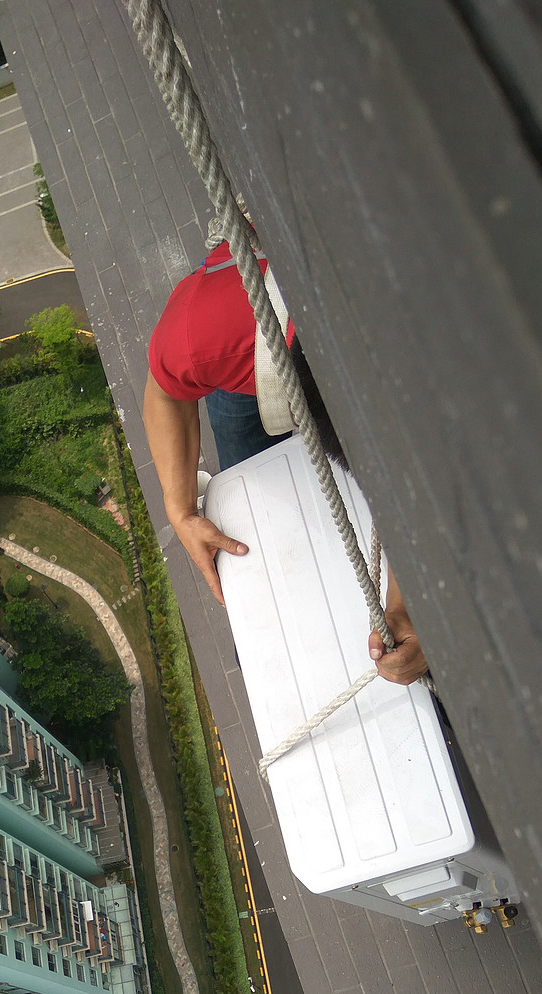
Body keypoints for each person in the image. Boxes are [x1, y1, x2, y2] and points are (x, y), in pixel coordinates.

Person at [144, 242, 427, 685]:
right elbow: (165, 391)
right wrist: (179, 509)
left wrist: (404, 611)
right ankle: (265, 624)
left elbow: (421, 512)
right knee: (246, 496)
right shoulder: (209, 329)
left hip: (271, 349)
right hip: (251, 355)